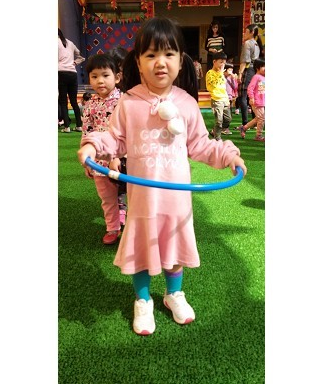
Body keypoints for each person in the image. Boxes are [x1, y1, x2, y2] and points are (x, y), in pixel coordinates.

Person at [77, 17, 247, 336]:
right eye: (151, 54)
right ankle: (143, 299)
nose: (160, 62)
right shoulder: (129, 102)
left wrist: (228, 155)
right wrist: (93, 144)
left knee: (174, 245)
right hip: (143, 199)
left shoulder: (186, 103)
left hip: (176, 199)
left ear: (181, 61)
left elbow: (200, 144)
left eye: (169, 54)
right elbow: (115, 139)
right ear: (138, 63)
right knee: (142, 248)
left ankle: (173, 294)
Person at [81, 54, 124, 245]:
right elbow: (87, 132)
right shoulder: (90, 104)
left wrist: (116, 156)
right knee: (107, 197)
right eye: (94, 76)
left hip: (123, 159)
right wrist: (87, 162)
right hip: (99, 162)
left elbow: (127, 132)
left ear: (117, 77)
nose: (100, 81)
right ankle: (112, 227)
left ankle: (130, 222)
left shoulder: (124, 101)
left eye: (105, 75)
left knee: (131, 195)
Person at [107, 46, 129, 226]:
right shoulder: (102, 98)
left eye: (122, 67)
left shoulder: (128, 94)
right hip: (110, 147)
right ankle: (119, 210)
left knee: (127, 181)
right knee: (114, 183)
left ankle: (126, 208)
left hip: (127, 148)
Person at [58, 28, 85, 133]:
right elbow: (81, 56)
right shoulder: (70, 43)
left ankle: (67, 127)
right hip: (73, 73)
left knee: (63, 101)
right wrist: (74, 63)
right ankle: (79, 126)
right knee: (73, 101)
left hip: (61, 73)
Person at [236, 24, 260, 130]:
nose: (244, 34)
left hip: (248, 70)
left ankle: (245, 123)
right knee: (253, 96)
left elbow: (244, 61)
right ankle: (255, 122)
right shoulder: (257, 44)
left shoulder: (247, 43)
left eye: (246, 32)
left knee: (243, 97)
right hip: (255, 71)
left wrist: (240, 74)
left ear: (252, 33)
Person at [205, 51, 232, 139]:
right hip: (216, 99)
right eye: (221, 62)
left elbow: (223, 87)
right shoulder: (210, 73)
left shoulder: (221, 73)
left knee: (228, 119)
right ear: (214, 61)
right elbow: (214, 84)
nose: (223, 65)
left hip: (224, 99)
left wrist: (227, 99)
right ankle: (217, 138)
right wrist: (220, 73)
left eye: (224, 63)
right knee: (219, 121)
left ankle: (214, 131)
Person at [240, 59, 265, 142]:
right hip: (256, 101)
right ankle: (258, 135)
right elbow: (250, 88)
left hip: (262, 102)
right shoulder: (256, 77)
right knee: (261, 118)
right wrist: (251, 98)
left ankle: (244, 128)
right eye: (263, 67)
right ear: (257, 68)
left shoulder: (264, 77)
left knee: (259, 118)